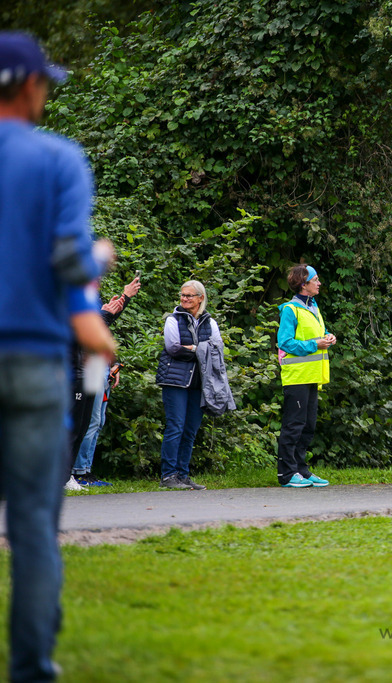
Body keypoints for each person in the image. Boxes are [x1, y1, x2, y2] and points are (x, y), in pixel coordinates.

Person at [0, 30, 116, 682]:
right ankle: (30, 668)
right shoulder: (58, 160)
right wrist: (93, 321)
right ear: (28, 85)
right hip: (35, 362)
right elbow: (70, 260)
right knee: (34, 525)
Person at [71, 275, 141, 487]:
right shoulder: (75, 298)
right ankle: (77, 472)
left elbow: (102, 330)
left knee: (97, 420)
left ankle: (86, 471)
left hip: (99, 365)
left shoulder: (92, 297)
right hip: (85, 368)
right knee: (88, 421)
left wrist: (113, 363)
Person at [155, 280, 222, 490]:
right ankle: (168, 476)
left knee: (190, 430)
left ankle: (183, 476)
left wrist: (194, 347)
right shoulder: (173, 320)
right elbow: (174, 349)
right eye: (182, 295)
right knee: (175, 427)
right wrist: (201, 350)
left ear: (200, 298)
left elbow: (217, 350)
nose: (184, 299)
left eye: (189, 296)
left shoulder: (210, 323)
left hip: (199, 383)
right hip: (175, 380)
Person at [276, 264, 334, 487]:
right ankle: (287, 474)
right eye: (315, 279)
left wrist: (327, 337)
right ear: (303, 284)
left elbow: (316, 335)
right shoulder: (290, 309)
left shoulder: (313, 307)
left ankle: (302, 470)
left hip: (312, 376)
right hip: (297, 375)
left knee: (308, 426)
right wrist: (315, 344)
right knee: (294, 425)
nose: (319, 283)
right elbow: (286, 342)